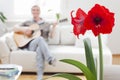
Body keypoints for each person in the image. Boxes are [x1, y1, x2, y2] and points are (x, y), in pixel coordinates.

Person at [13, 5, 57, 80]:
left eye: (37, 10)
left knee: (39, 50)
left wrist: (54, 27)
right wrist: (25, 29)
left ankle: (39, 76)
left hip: (43, 45)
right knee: (40, 38)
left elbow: (52, 36)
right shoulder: (28, 22)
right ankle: (50, 59)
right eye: (33, 10)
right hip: (31, 45)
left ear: (39, 12)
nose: (35, 11)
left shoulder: (46, 23)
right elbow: (15, 27)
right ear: (31, 12)